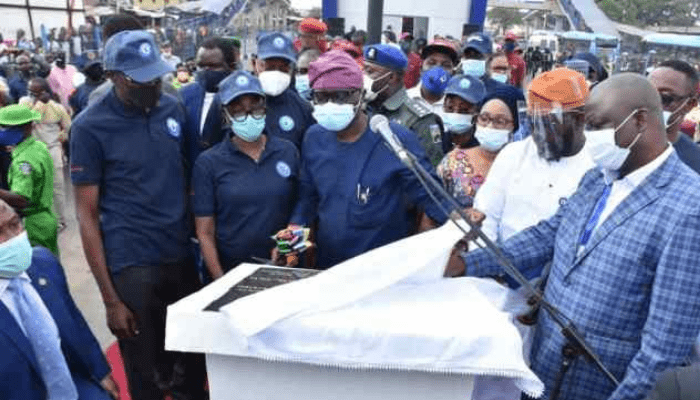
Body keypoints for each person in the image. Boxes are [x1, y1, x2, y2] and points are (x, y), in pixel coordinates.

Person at [447, 73, 700, 400]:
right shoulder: (597, 179)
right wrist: (467, 264)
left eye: (597, 126)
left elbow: (665, 345)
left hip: (604, 385)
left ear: (639, 121)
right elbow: (545, 237)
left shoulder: (688, 209)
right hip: (545, 369)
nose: (589, 137)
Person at [70, 30, 206, 400]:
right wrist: (111, 300)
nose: (151, 86)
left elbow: (187, 180)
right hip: (133, 265)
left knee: (192, 367)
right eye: (139, 80)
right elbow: (86, 215)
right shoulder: (89, 127)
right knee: (147, 376)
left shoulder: (172, 109)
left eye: (155, 77)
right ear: (113, 76)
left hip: (179, 255)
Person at [281, 50, 449, 268]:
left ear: (360, 94)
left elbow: (433, 197)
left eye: (341, 96)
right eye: (322, 97)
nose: (331, 104)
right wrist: (291, 240)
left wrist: (459, 218)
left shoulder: (394, 138)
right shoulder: (314, 138)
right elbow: (307, 199)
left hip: (383, 269)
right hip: (330, 267)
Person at [0, 200, 118, 400]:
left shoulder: (43, 264)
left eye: (14, 224)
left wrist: (101, 372)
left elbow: (75, 320)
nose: (12, 238)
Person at [193, 71, 299, 278]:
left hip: (283, 269)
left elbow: (301, 208)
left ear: (265, 108)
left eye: (255, 108)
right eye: (238, 111)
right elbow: (205, 232)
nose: (248, 116)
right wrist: (221, 282)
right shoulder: (208, 163)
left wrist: (288, 250)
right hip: (231, 271)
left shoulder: (288, 151)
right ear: (226, 115)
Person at [473, 68, 593, 249]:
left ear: (579, 119)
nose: (538, 135)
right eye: (533, 123)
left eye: (548, 125)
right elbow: (485, 217)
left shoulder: (597, 166)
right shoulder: (513, 154)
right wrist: (486, 260)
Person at [439, 83, 520, 208]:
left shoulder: (522, 168)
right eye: (484, 118)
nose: (490, 126)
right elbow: (432, 208)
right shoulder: (453, 161)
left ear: (514, 126)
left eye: (500, 121)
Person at [364, 43, 445, 165]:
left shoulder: (422, 120)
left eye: (370, 72)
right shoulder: (365, 107)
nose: (364, 77)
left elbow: (431, 168)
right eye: (364, 70)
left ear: (391, 77)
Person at [0, 104, 59, 255]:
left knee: (37, 264)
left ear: (25, 128)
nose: (1, 131)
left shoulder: (23, 161)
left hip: (33, 223)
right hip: (46, 217)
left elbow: (21, 199)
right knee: (50, 261)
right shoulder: (38, 146)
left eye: (4, 127)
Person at [19, 78, 71, 232]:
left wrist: (61, 136)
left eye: (37, 93)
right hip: (31, 151)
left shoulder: (57, 108)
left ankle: (60, 220)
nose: (32, 96)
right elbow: (28, 121)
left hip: (52, 149)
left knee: (57, 186)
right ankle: (38, 219)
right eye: (31, 92)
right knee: (33, 186)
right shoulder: (25, 103)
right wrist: (39, 103)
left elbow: (68, 127)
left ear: (46, 91)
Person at [180, 37, 235, 166]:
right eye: (201, 66)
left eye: (213, 66)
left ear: (231, 67)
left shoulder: (243, 98)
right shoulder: (185, 95)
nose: (206, 70)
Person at [255, 32, 315, 150]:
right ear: (256, 64)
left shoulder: (303, 108)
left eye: (283, 68)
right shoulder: (238, 102)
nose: (276, 73)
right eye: (270, 67)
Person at [436, 75, 486, 206]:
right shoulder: (438, 142)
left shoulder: (484, 148)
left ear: (477, 113)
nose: (456, 114)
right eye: (450, 108)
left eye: (464, 111)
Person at [647, 60, 700, 174]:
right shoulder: (616, 145)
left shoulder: (694, 164)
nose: (650, 103)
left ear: (690, 104)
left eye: (664, 98)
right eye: (646, 93)